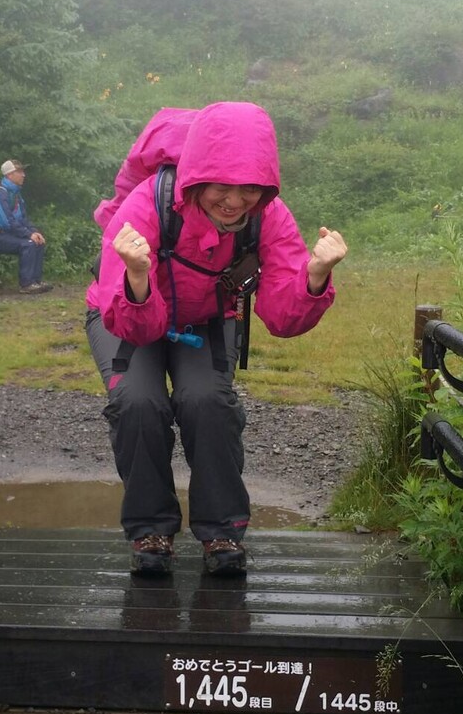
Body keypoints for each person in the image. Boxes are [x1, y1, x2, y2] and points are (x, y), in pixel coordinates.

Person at [85, 101, 347, 577]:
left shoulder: (268, 215)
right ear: (196, 178)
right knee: (138, 404)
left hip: (204, 319)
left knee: (208, 402)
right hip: (125, 311)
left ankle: (221, 530)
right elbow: (132, 324)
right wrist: (139, 278)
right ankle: (151, 529)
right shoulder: (147, 202)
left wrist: (314, 276)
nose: (234, 200)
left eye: (249, 187)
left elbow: (282, 317)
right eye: (221, 187)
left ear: (264, 186)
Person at [0, 160, 51, 294]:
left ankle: (36, 281)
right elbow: (7, 221)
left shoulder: (16, 195)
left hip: (8, 235)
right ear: (9, 175)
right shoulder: (0, 193)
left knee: (38, 242)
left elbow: (24, 219)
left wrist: (34, 232)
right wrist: (27, 234)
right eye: (19, 172)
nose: (23, 175)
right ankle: (26, 284)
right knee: (29, 243)